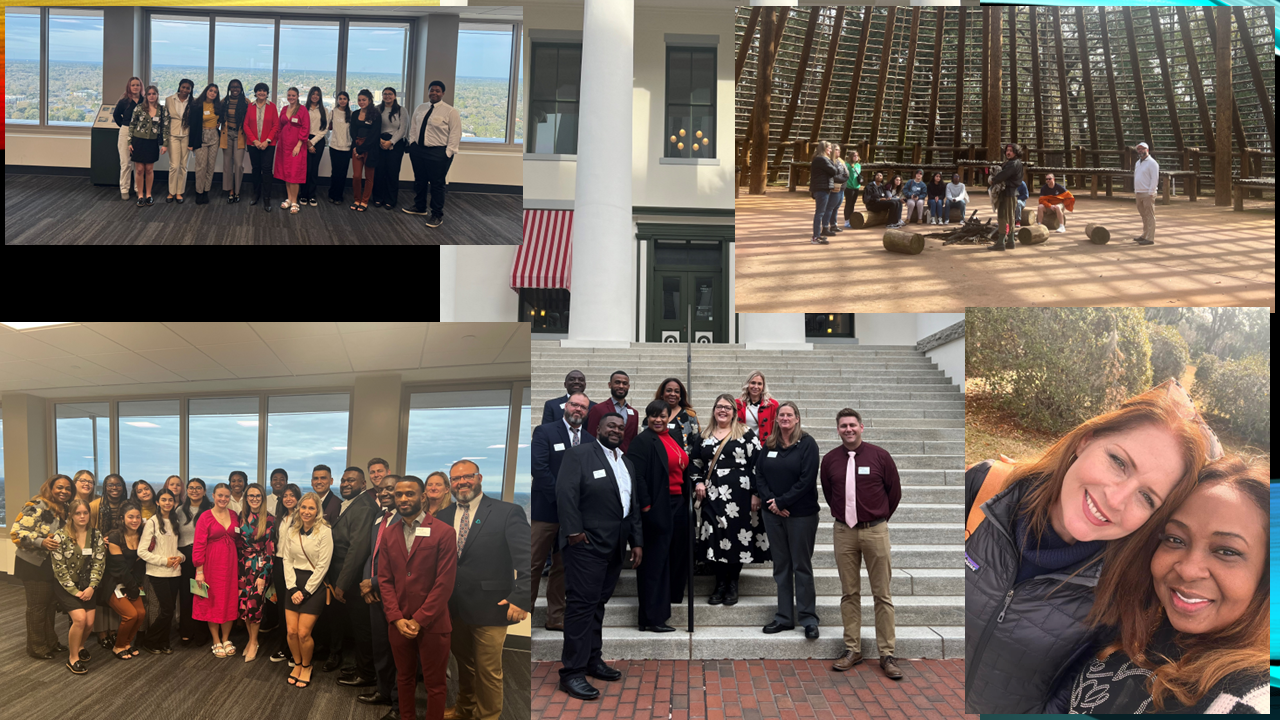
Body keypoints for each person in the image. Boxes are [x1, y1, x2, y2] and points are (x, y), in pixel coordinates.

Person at [963, 379, 1221, 713]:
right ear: (1086, 440)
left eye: (1146, 496)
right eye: (1118, 462)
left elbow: (1074, 691)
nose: (1115, 500)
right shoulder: (985, 488)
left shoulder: (1126, 587)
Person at [1057, 458, 1268, 714]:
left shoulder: (1249, 696)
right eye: (1175, 539)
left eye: (1226, 551)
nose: (1188, 570)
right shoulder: (1134, 625)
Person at [555, 413, 643, 701]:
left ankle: (593, 660)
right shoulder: (579, 454)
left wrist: (636, 542)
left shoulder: (626, 462)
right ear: (598, 429)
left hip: (615, 547)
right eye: (611, 426)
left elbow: (631, 505)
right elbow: (565, 493)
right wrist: (574, 533)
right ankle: (571, 673)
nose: (616, 430)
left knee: (597, 605)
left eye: (620, 427)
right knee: (581, 608)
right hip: (586, 545)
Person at [435, 460, 531, 720]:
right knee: (463, 665)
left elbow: (526, 559)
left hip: (492, 605)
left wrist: (521, 599)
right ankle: (466, 709)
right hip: (452, 608)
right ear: (450, 485)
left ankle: (487, 716)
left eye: (467, 477)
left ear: (479, 478)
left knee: (488, 670)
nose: (462, 482)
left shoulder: (507, 512)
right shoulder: (441, 518)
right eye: (456, 479)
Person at [820, 409, 903, 677]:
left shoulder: (880, 456)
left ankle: (887, 654)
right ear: (838, 429)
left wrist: (877, 518)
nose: (848, 429)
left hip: (875, 531)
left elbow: (894, 491)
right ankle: (852, 649)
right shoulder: (830, 460)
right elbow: (829, 493)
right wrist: (845, 518)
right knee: (849, 592)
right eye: (843, 426)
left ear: (862, 427)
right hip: (844, 532)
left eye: (852, 425)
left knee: (882, 594)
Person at [377, 476, 457, 720]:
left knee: (435, 684)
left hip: (433, 623)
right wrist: (395, 617)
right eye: (399, 494)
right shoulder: (389, 534)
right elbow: (385, 580)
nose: (403, 499)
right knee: (404, 678)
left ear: (422, 497)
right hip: (399, 621)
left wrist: (420, 619)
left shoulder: (444, 532)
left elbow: (444, 583)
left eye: (410, 494)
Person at [692, 394, 769, 606]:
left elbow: (758, 464)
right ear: (714, 410)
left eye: (727, 407)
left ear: (734, 412)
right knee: (714, 536)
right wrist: (698, 482)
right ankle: (719, 583)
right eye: (719, 407)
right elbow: (695, 462)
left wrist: (756, 492)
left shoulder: (745, 434)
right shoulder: (705, 434)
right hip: (712, 494)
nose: (723, 410)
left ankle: (733, 583)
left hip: (740, 495)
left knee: (736, 537)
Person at [755, 401, 822, 638]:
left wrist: (782, 502)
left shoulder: (807, 444)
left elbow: (807, 479)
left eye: (789, 414)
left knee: (801, 566)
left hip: (801, 515)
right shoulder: (769, 444)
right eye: (781, 414)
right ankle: (784, 617)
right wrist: (772, 503)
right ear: (777, 419)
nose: (785, 418)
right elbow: (759, 474)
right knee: (781, 566)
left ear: (797, 419)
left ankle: (808, 618)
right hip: (773, 515)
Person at [625, 401, 688, 633]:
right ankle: (650, 618)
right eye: (653, 417)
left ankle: (662, 611)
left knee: (671, 557)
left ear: (668, 416)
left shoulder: (674, 437)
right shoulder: (642, 442)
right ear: (647, 418)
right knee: (654, 562)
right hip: (656, 506)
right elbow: (637, 477)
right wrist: (647, 507)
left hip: (677, 503)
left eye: (662, 416)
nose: (658, 420)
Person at [531, 392, 590, 633]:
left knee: (562, 567)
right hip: (546, 511)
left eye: (583, 407)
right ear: (566, 406)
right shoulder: (545, 432)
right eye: (574, 404)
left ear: (587, 412)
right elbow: (540, 469)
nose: (578, 410)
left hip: (572, 516)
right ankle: (523, 615)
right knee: (533, 564)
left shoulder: (588, 439)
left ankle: (555, 617)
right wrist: (562, 500)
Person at [323, 466, 381, 682]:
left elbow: (357, 549)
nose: (346, 484)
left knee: (361, 627)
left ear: (363, 484)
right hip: (343, 574)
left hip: (352, 578)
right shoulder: (354, 503)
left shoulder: (364, 507)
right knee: (355, 626)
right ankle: (360, 667)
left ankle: (366, 674)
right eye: (344, 480)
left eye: (352, 481)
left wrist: (342, 584)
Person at [10, 474, 73, 660]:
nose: (64, 491)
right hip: (33, 564)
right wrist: (41, 542)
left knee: (50, 605)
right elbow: (17, 533)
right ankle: (36, 647)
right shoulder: (36, 505)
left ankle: (51, 642)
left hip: (52, 564)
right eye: (59, 487)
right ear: (50, 488)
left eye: (68, 488)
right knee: (37, 607)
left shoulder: (65, 509)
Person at [357, 475, 402, 709]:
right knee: (381, 645)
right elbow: (371, 554)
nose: (384, 493)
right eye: (382, 489)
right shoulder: (379, 517)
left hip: (396, 594)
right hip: (375, 592)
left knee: (399, 652)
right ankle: (383, 691)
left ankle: (398, 703)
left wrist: (372, 582)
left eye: (390, 489)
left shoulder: (407, 521)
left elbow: (403, 564)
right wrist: (367, 581)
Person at [282, 492, 334, 690]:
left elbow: (323, 565)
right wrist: (292, 587)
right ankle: (296, 663)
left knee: (304, 633)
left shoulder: (325, 531)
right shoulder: (292, 530)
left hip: (313, 584)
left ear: (318, 511)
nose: (306, 511)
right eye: (303, 507)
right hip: (293, 582)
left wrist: (305, 591)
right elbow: (287, 559)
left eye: (311, 508)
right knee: (291, 632)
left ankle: (306, 665)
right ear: (298, 509)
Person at [49, 498, 106, 675]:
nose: (82, 516)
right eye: (78, 513)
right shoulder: (60, 536)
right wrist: (75, 591)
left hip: (88, 586)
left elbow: (99, 562)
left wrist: (91, 587)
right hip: (65, 585)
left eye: (85, 513)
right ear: (71, 515)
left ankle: (80, 645)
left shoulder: (96, 535)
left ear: (89, 514)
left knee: (89, 623)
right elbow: (60, 569)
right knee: (80, 619)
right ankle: (73, 657)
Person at [403, 80, 462, 228]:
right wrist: (412, 143)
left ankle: (436, 214)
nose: (434, 93)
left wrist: (448, 152)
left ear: (442, 93)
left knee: (437, 184)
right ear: (428, 91)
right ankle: (420, 207)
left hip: (438, 152)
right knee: (420, 180)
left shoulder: (450, 111)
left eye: (437, 91)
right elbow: (414, 126)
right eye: (432, 90)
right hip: (418, 150)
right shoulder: (421, 107)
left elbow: (456, 133)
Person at [194, 483, 242, 658]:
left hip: (230, 565)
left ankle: (226, 638)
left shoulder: (234, 515)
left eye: (226, 496)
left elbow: (239, 539)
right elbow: (199, 545)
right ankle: (215, 639)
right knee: (212, 601)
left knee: (229, 599)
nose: (223, 499)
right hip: (210, 565)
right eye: (220, 495)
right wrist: (200, 571)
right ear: (213, 496)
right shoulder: (205, 517)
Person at [138, 487, 184, 655]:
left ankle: (163, 641)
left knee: (170, 610)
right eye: (163, 500)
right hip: (157, 572)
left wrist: (181, 558)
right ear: (157, 502)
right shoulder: (152, 522)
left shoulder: (175, 521)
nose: (167, 503)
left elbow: (175, 549)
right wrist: (164, 561)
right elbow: (142, 552)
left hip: (175, 572)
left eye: (170, 500)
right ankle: (150, 640)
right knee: (166, 610)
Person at [236, 483, 275, 663]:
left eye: (258, 496)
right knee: (244, 604)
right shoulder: (241, 518)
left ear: (263, 498)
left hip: (260, 568)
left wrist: (263, 575)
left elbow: (270, 551)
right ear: (246, 498)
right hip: (242, 567)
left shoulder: (269, 520)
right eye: (251, 496)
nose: (254, 499)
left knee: (255, 604)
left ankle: (254, 641)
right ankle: (250, 639)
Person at [104, 502, 147, 660]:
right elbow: (119, 568)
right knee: (130, 615)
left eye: (137, 517)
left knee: (141, 613)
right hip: (114, 582)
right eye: (130, 517)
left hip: (133, 581)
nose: (135, 520)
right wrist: (132, 587)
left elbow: (140, 563)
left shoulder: (143, 535)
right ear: (122, 519)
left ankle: (127, 643)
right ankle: (119, 646)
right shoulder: (115, 536)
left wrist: (135, 585)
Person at [269, 483, 303, 662]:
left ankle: (297, 649)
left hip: (297, 566)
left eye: (292, 495)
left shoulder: (302, 517)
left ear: (298, 498)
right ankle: (284, 647)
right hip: (279, 563)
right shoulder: (279, 517)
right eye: (285, 496)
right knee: (282, 607)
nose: (288, 498)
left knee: (295, 607)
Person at [177, 478, 213, 646]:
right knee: (186, 595)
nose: (194, 491)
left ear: (204, 491)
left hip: (204, 557)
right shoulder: (179, 510)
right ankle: (186, 630)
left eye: (198, 488)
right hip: (185, 556)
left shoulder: (211, 510)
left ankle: (201, 632)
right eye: (191, 488)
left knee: (201, 594)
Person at [128, 85, 168, 208]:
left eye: (154, 94)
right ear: (146, 96)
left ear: (157, 95)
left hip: (152, 142)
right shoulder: (139, 108)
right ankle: (140, 195)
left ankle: (149, 195)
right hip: (138, 141)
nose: (151, 96)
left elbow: (166, 128)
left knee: (149, 169)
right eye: (149, 94)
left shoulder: (162, 110)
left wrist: (165, 144)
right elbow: (132, 125)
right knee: (139, 169)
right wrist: (129, 142)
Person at [274, 87, 310, 214]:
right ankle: (289, 199)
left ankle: (295, 201)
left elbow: (306, 128)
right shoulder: (284, 109)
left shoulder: (302, 110)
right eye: (289, 95)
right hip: (284, 146)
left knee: (294, 174)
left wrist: (299, 144)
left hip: (296, 146)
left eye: (293, 95)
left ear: (298, 96)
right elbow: (279, 126)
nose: (291, 97)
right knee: (286, 173)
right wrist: (278, 140)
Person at [585, 371, 640, 452]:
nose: (621, 386)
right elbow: (591, 436)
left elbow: (632, 440)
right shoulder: (598, 409)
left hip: (625, 458)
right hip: (601, 456)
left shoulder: (634, 413)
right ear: (610, 385)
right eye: (617, 382)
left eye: (624, 383)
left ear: (628, 386)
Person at [245, 82, 279, 212]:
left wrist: (267, 141)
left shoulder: (272, 107)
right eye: (259, 90)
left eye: (264, 91)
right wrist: (255, 141)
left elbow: (275, 125)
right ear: (255, 92)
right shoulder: (250, 107)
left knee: (266, 169)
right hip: (253, 144)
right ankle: (256, 194)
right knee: (256, 169)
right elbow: (246, 125)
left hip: (269, 144)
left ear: (267, 93)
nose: (261, 93)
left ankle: (267, 197)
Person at [372, 87, 407, 210]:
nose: (387, 96)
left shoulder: (402, 110)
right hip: (379, 142)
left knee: (392, 172)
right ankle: (377, 197)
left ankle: (390, 200)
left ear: (395, 96)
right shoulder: (377, 109)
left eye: (390, 94)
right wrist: (380, 140)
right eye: (385, 94)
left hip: (396, 145)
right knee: (379, 172)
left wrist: (391, 142)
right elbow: (373, 127)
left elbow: (402, 130)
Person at [187, 83, 221, 205]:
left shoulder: (218, 106)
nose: (212, 93)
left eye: (215, 92)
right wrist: (191, 143)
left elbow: (222, 117)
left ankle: (206, 191)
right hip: (200, 138)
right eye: (210, 90)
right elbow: (193, 125)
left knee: (210, 166)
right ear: (206, 91)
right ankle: (199, 192)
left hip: (214, 138)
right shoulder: (197, 105)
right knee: (201, 166)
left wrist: (219, 123)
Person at [988, 143, 1025, 252]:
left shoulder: (1013, 164)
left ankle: (1001, 242)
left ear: (1016, 152)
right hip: (1010, 193)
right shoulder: (1014, 163)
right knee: (1010, 217)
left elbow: (1002, 176)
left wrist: (992, 180)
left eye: (1011, 151)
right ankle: (1010, 241)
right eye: (1007, 150)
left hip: (1008, 193)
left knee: (1003, 216)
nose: (1008, 152)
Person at [350, 89, 382, 212]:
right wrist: (356, 148)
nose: (361, 102)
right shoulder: (355, 114)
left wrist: (362, 148)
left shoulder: (375, 115)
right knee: (357, 176)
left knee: (369, 177)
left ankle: (364, 201)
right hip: (357, 147)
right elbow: (352, 131)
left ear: (369, 100)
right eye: (359, 100)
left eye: (364, 100)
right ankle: (356, 199)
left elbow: (374, 135)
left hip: (370, 148)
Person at [164, 78, 194, 203]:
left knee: (183, 166)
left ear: (190, 90)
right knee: (174, 165)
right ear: (179, 87)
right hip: (173, 135)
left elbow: (195, 122)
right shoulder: (169, 100)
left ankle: (179, 192)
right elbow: (165, 120)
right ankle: (171, 191)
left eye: (188, 88)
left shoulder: (193, 102)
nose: (185, 90)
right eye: (183, 87)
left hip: (187, 135)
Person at [219, 78, 248, 204]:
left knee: (238, 164)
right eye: (232, 87)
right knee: (227, 164)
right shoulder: (224, 101)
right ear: (229, 88)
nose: (235, 89)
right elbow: (218, 116)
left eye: (237, 87)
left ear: (241, 89)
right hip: (226, 134)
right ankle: (230, 190)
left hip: (240, 135)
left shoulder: (246, 102)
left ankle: (238, 191)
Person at [113, 77, 142, 200]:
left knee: (138, 163)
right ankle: (124, 188)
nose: (135, 87)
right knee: (125, 163)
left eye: (137, 85)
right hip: (125, 130)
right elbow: (116, 115)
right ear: (129, 87)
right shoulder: (123, 101)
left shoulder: (144, 101)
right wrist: (125, 126)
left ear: (141, 87)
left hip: (140, 133)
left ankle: (137, 188)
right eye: (133, 85)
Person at [654, 377, 700, 455]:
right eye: (669, 391)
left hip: (682, 464)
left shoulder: (689, 416)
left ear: (680, 395)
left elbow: (697, 443)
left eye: (677, 391)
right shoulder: (652, 414)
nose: (673, 394)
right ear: (662, 394)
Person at [301, 86, 328, 207]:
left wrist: (313, 142)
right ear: (309, 95)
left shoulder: (324, 110)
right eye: (313, 94)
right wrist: (307, 142)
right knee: (305, 168)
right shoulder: (303, 109)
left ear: (320, 96)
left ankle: (312, 195)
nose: (315, 96)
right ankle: (303, 194)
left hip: (318, 141)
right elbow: (300, 127)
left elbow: (324, 129)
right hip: (304, 140)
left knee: (314, 169)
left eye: (317, 94)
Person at [807, 140, 838, 244]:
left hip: (822, 188)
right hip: (821, 189)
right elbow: (834, 171)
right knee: (819, 213)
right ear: (824, 149)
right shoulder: (822, 159)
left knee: (820, 212)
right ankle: (815, 237)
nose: (831, 150)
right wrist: (834, 163)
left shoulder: (820, 159)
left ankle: (817, 235)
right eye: (829, 148)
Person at [327, 91, 353, 205]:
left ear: (348, 100)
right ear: (337, 100)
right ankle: (332, 194)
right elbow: (326, 127)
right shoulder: (333, 112)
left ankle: (339, 195)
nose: (342, 100)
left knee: (343, 172)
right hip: (334, 146)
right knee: (335, 171)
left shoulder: (351, 114)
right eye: (340, 98)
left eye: (344, 98)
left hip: (347, 147)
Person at [735, 371, 779, 438]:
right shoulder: (737, 404)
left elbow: (777, 428)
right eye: (753, 383)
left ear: (763, 386)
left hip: (764, 445)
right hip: (742, 444)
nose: (756, 386)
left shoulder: (773, 405)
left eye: (759, 384)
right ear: (747, 384)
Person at [1133, 141, 1160, 246]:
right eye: (1139, 149)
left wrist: (1151, 192)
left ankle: (1150, 238)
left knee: (1150, 215)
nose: (1140, 151)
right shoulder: (1137, 163)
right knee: (1143, 215)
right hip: (1139, 192)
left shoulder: (1152, 163)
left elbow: (1154, 179)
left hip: (1147, 193)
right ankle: (1144, 235)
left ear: (1147, 150)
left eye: (1142, 149)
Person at [823, 143, 847, 235]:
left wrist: (844, 178)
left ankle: (834, 225)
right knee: (830, 208)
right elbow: (833, 175)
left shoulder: (841, 161)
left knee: (836, 207)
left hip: (842, 188)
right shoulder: (830, 161)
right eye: (836, 149)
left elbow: (846, 173)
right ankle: (825, 227)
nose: (839, 151)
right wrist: (843, 178)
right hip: (835, 188)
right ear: (832, 151)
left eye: (839, 149)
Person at [841, 148, 862, 228]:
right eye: (854, 156)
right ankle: (846, 220)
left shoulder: (858, 165)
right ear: (850, 157)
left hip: (856, 186)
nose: (856, 157)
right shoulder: (847, 165)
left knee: (853, 204)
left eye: (857, 155)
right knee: (848, 204)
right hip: (849, 187)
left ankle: (850, 219)